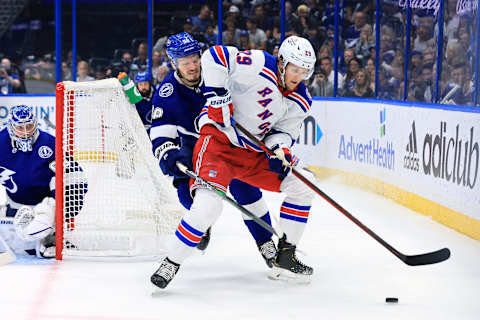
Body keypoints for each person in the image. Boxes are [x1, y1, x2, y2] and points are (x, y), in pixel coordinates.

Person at [151, 35, 317, 289]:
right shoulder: (260, 63)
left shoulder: (302, 99)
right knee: (207, 206)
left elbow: (284, 131)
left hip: (251, 152)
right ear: (282, 63)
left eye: (304, 71)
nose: (298, 76)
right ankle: (171, 261)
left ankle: (285, 254)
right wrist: (217, 97)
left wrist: (278, 147)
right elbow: (217, 56)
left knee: (305, 184)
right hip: (217, 145)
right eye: (294, 69)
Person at [148, 32, 278, 256]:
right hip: (193, 146)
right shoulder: (166, 93)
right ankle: (201, 223)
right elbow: (161, 133)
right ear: (173, 63)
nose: (192, 66)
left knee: (247, 191)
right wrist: (169, 154)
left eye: (195, 59)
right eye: (185, 62)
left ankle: (266, 243)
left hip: (227, 142)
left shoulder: (217, 72)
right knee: (185, 190)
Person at [0, 105, 86, 258]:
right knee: (19, 244)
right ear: (11, 127)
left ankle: (51, 232)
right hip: (15, 207)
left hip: (45, 207)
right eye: (20, 127)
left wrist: (63, 207)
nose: (26, 132)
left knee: (35, 237)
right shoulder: (1, 142)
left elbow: (75, 174)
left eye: (29, 126)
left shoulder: (49, 143)